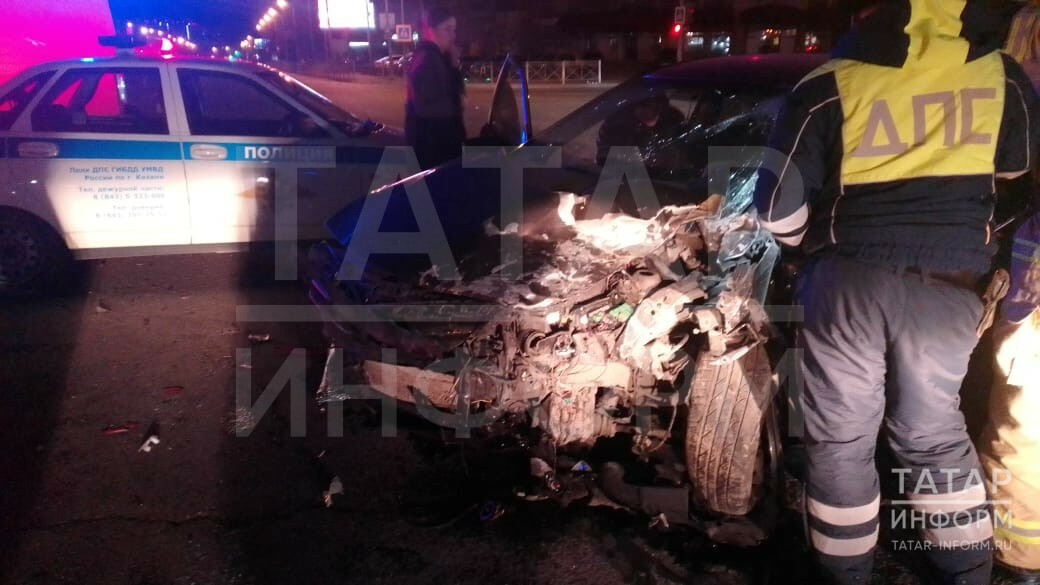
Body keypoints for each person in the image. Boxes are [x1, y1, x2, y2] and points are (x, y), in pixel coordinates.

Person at [753, 1, 1038, 584]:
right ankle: (967, 573)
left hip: (847, 284)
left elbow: (777, 208)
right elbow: (1017, 166)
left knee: (841, 442)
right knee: (934, 436)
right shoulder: (1001, 74)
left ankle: (845, 575)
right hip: (949, 287)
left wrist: (806, 246)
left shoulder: (829, 83)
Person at [405, 5, 465, 170]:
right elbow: (429, 110)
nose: (453, 36)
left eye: (454, 30)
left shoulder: (438, 57)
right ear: (431, 31)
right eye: (447, 29)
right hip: (434, 152)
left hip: (437, 148)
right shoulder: (428, 60)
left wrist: (453, 65)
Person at [595, 92, 685, 168]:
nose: (652, 110)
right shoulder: (615, 124)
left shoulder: (673, 119)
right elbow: (604, 161)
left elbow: (683, 151)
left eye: (656, 106)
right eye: (645, 104)